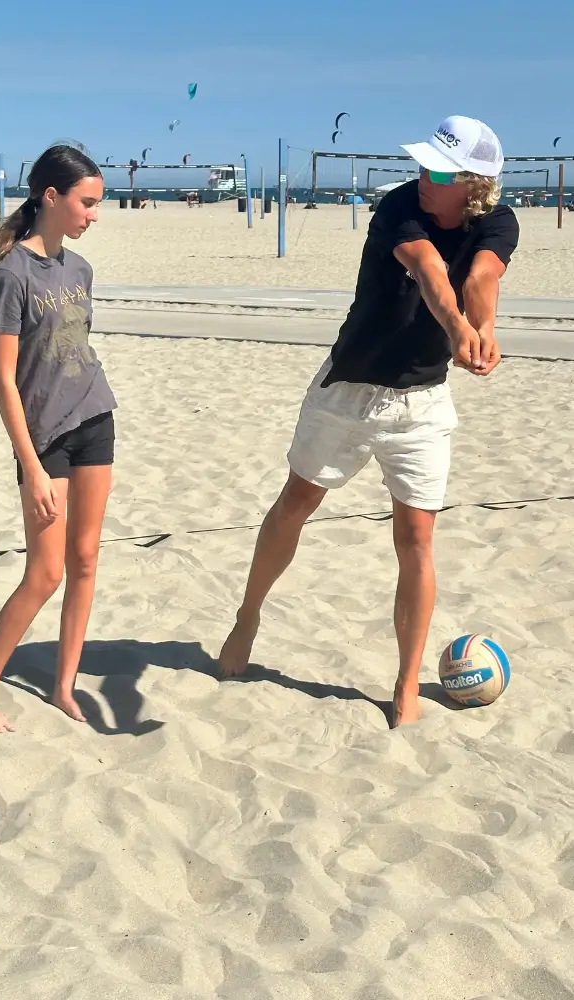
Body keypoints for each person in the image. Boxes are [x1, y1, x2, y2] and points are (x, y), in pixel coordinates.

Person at [218, 115, 520, 728]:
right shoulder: (399, 207)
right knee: (294, 505)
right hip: (350, 387)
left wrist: (484, 327)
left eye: (437, 170)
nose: (422, 176)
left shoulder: (499, 220)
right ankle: (248, 613)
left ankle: (406, 685)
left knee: (416, 540)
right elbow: (432, 276)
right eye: (424, 165)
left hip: (421, 404)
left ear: (473, 184)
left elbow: (481, 276)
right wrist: (458, 328)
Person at [0, 144, 116, 733]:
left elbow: (77, 352)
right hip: (43, 438)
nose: (93, 215)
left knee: (84, 560)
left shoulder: (80, 270)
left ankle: (63, 687)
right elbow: (5, 380)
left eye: (97, 204)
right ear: (50, 196)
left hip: (96, 419)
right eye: (87, 202)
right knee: (45, 573)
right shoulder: (11, 274)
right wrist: (29, 466)